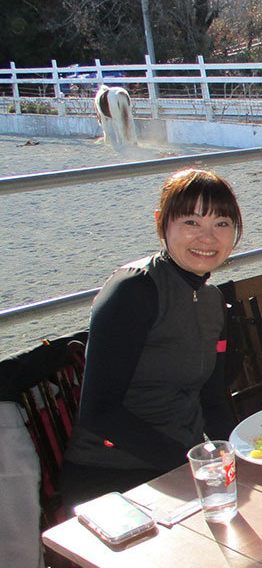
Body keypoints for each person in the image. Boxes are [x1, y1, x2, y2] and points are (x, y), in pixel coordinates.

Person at [59, 169, 242, 508]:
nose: (208, 238)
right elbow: (99, 412)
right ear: (162, 222)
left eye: (221, 223)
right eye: (191, 222)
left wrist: (236, 456)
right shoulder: (135, 289)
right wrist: (189, 465)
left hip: (180, 467)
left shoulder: (212, 300)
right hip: (111, 475)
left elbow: (213, 398)